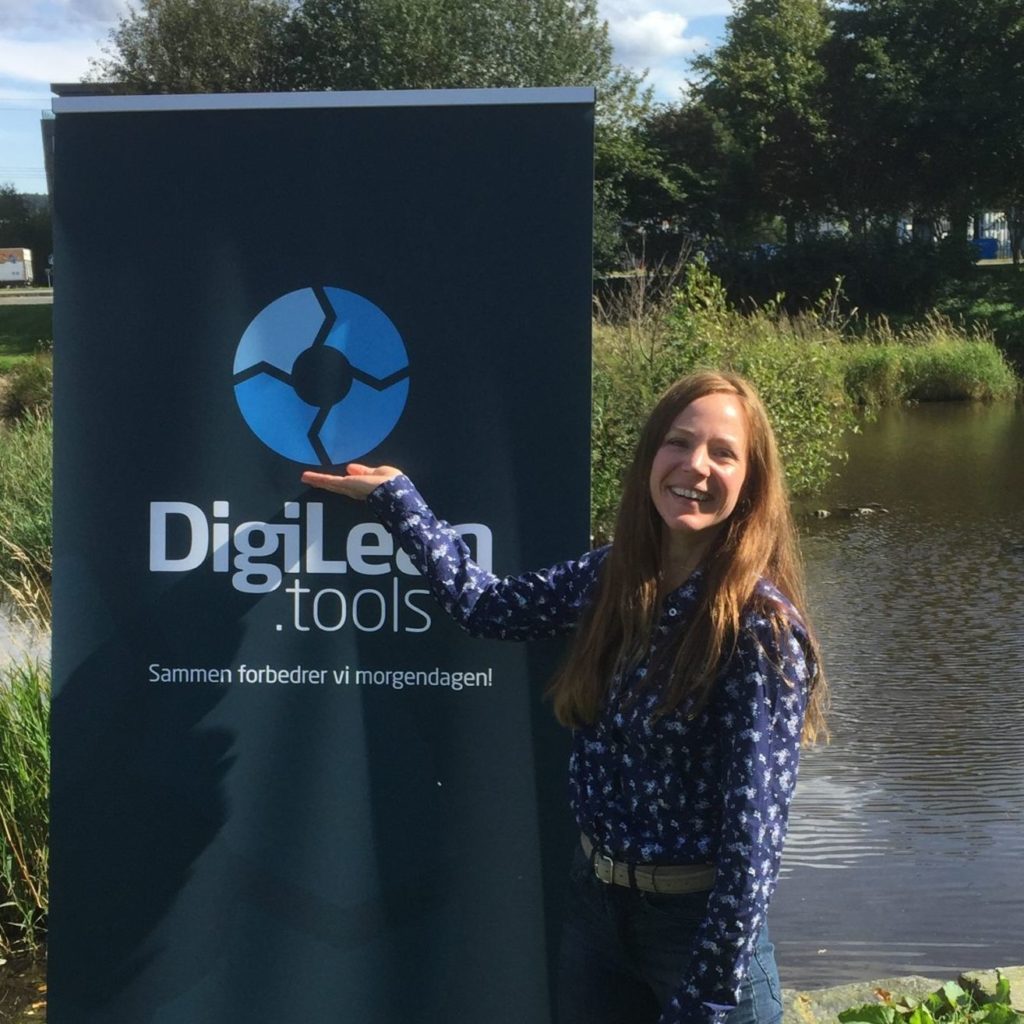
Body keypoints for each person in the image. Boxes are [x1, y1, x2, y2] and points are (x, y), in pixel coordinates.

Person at [301, 370, 828, 1024]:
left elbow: (754, 843)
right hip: (598, 913)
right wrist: (398, 500)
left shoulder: (758, 629)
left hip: (697, 936)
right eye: (678, 443)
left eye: (723, 452)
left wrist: (709, 999)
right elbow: (487, 606)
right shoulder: (612, 577)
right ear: (649, 460)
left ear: (752, 482)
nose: (695, 466)